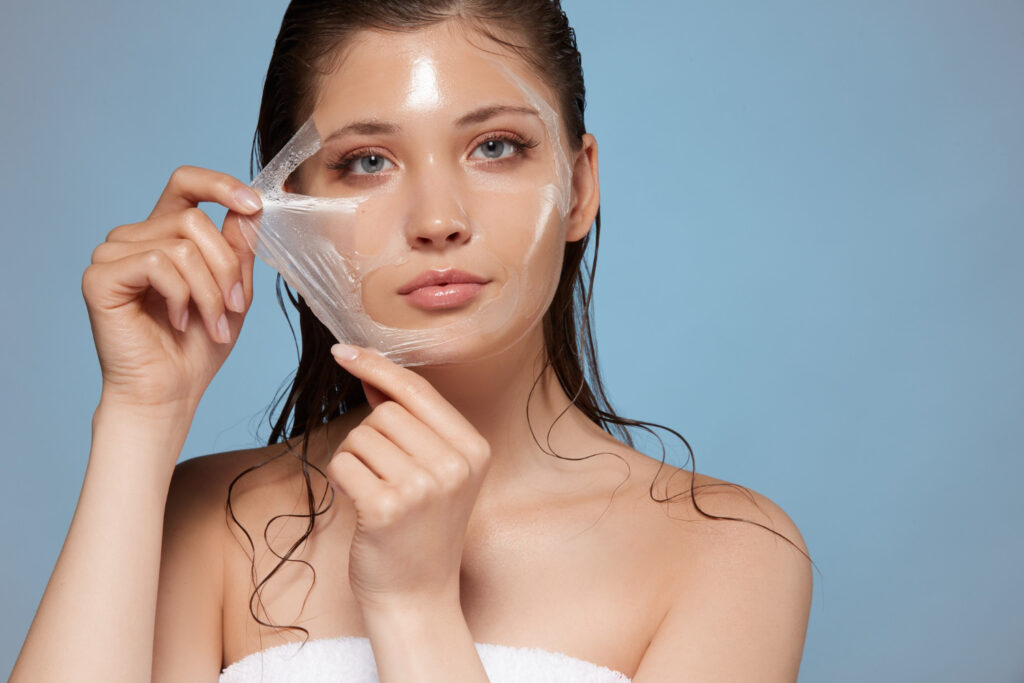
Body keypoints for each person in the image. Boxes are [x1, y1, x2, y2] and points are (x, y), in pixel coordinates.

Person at [12, 1, 813, 681]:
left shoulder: (727, 552)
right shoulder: (210, 522)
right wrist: (141, 414)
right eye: (367, 161)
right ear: (288, 214)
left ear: (580, 186)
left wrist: (414, 606)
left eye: (495, 146)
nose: (437, 220)